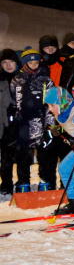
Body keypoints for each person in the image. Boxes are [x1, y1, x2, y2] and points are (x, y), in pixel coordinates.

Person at [11, 48, 57, 192]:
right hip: (23, 123)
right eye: (30, 62)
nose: (33, 65)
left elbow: (52, 104)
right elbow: (13, 102)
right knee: (23, 156)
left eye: (36, 62)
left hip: (41, 122)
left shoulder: (46, 80)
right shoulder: (17, 80)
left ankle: (45, 182)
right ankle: (23, 183)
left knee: (44, 156)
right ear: (24, 64)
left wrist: (50, 126)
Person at [45, 87, 74, 215]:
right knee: (64, 168)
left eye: (51, 105)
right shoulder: (62, 114)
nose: (49, 109)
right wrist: (58, 130)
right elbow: (70, 126)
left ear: (61, 102)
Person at [0, 50, 16, 201]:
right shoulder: (1, 80)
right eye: (4, 62)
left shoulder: (23, 79)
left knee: (24, 156)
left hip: (20, 123)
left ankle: (24, 183)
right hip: (3, 125)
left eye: (10, 61)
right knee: (6, 157)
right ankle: (6, 185)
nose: (8, 65)